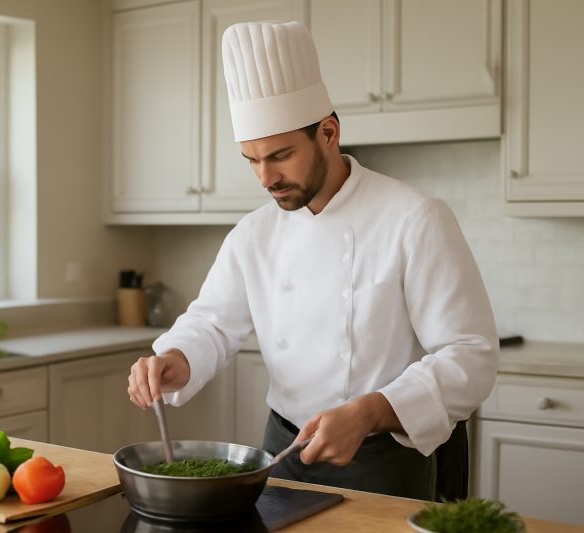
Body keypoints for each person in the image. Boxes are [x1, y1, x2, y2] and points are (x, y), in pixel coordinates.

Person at [127, 20, 499, 501]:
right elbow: (213, 322)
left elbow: (471, 353)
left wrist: (368, 411)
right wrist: (176, 358)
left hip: (383, 454)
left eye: (280, 155)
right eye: (251, 160)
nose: (266, 178)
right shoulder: (254, 234)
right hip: (283, 450)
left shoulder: (415, 219)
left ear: (328, 132)